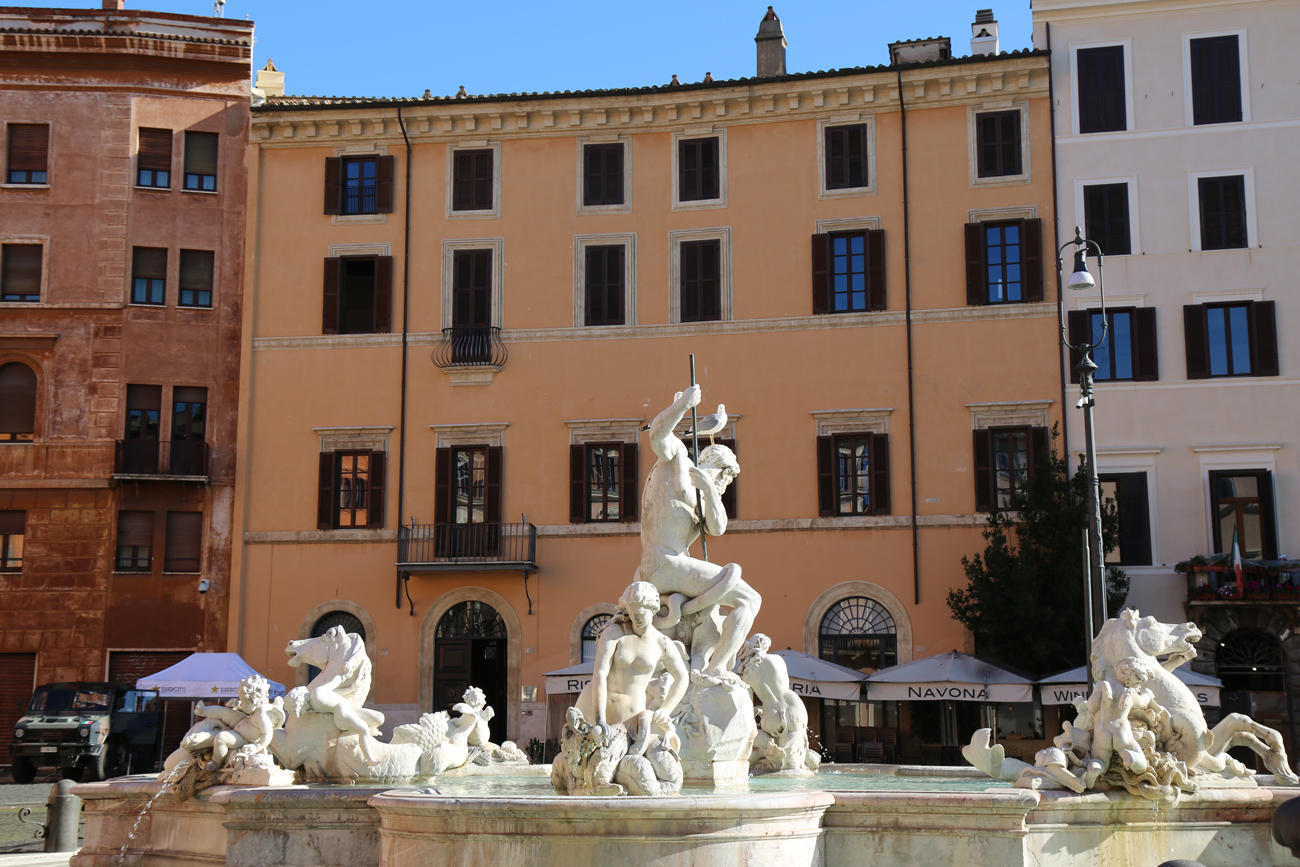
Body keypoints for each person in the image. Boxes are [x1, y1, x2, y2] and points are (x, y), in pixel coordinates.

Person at [638, 384, 758, 676]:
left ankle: (706, 661)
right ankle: (716, 669)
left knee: (736, 598)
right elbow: (657, 434)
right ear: (722, 471)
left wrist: (709, 490)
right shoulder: (677, 460)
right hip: (667, 563)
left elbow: (718, 528)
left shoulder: (702, 493)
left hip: (662, 565)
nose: (725, 487)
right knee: (750, 599)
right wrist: (684, 405)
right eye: (726, 480)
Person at [575, 581, 689, 745]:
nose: (636, 618)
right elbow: (599, 673)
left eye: (641, 613)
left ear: (653, 610)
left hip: (631, 715)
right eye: (632, 612)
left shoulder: (661, 643)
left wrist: (666, 710)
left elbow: (682, 677)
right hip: (593, 708)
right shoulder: (614, 632)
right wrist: (600, 719)